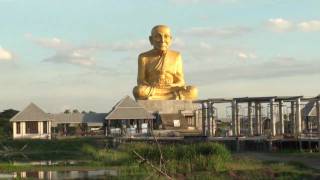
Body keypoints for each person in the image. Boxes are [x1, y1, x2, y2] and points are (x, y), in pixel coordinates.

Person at [133, 25, 198, 100]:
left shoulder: (176, 56)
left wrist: (172, 85)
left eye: (166, 36)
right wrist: (153, 85)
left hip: (171, 89)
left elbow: (181, 81)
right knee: (138, 91)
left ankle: (161, 97)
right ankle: (170, 97)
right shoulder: (144, 57)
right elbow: (141, 81)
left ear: (170, 39)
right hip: (153, 90)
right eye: (158, 36)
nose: (162, 40)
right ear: (151, 40)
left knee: (193, 91)